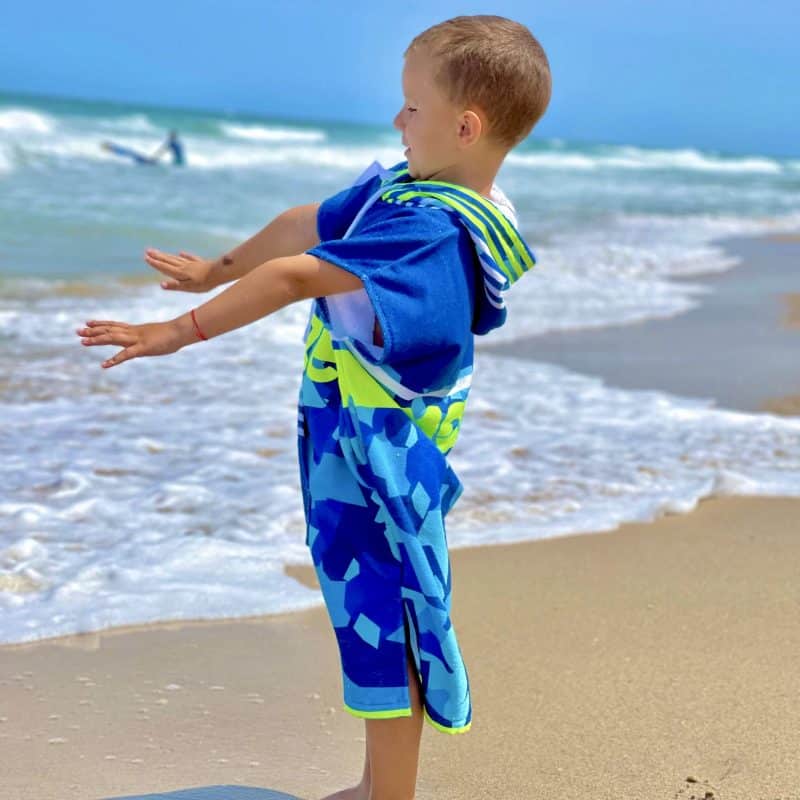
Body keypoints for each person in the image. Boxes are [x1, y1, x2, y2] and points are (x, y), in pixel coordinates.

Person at [76, 14, 551, 799]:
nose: (398, 120)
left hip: (377, 450)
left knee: (383, 613)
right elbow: (310, 221)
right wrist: (216, 268)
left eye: (412, 108)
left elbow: (295, 272)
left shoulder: (427, 228)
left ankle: (386, 795)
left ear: (465, 128)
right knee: (376, 605)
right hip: (350, 437)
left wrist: (177, 331)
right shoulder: (414, 190)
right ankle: (376, 788)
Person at [100, 130, 184, 166]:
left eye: (169, 136)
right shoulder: (178, 143)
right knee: (135, 155)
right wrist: (154, 158)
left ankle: (149, 160)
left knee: (135, 155)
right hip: (180, 161)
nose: (168, 137)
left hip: (176, 161)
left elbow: (162, 151)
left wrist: (154, 158)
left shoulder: (171, 142)